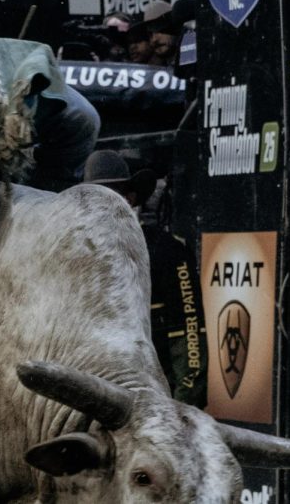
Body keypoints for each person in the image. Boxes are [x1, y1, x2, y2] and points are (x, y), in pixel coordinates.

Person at [83, 151, 207, 406]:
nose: (99, 208)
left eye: (111, 197)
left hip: (156, 405)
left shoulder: (166, 252)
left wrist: (181, 410)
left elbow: (189, 335)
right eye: (92, 200)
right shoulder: (78, 255)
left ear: (130, 200)